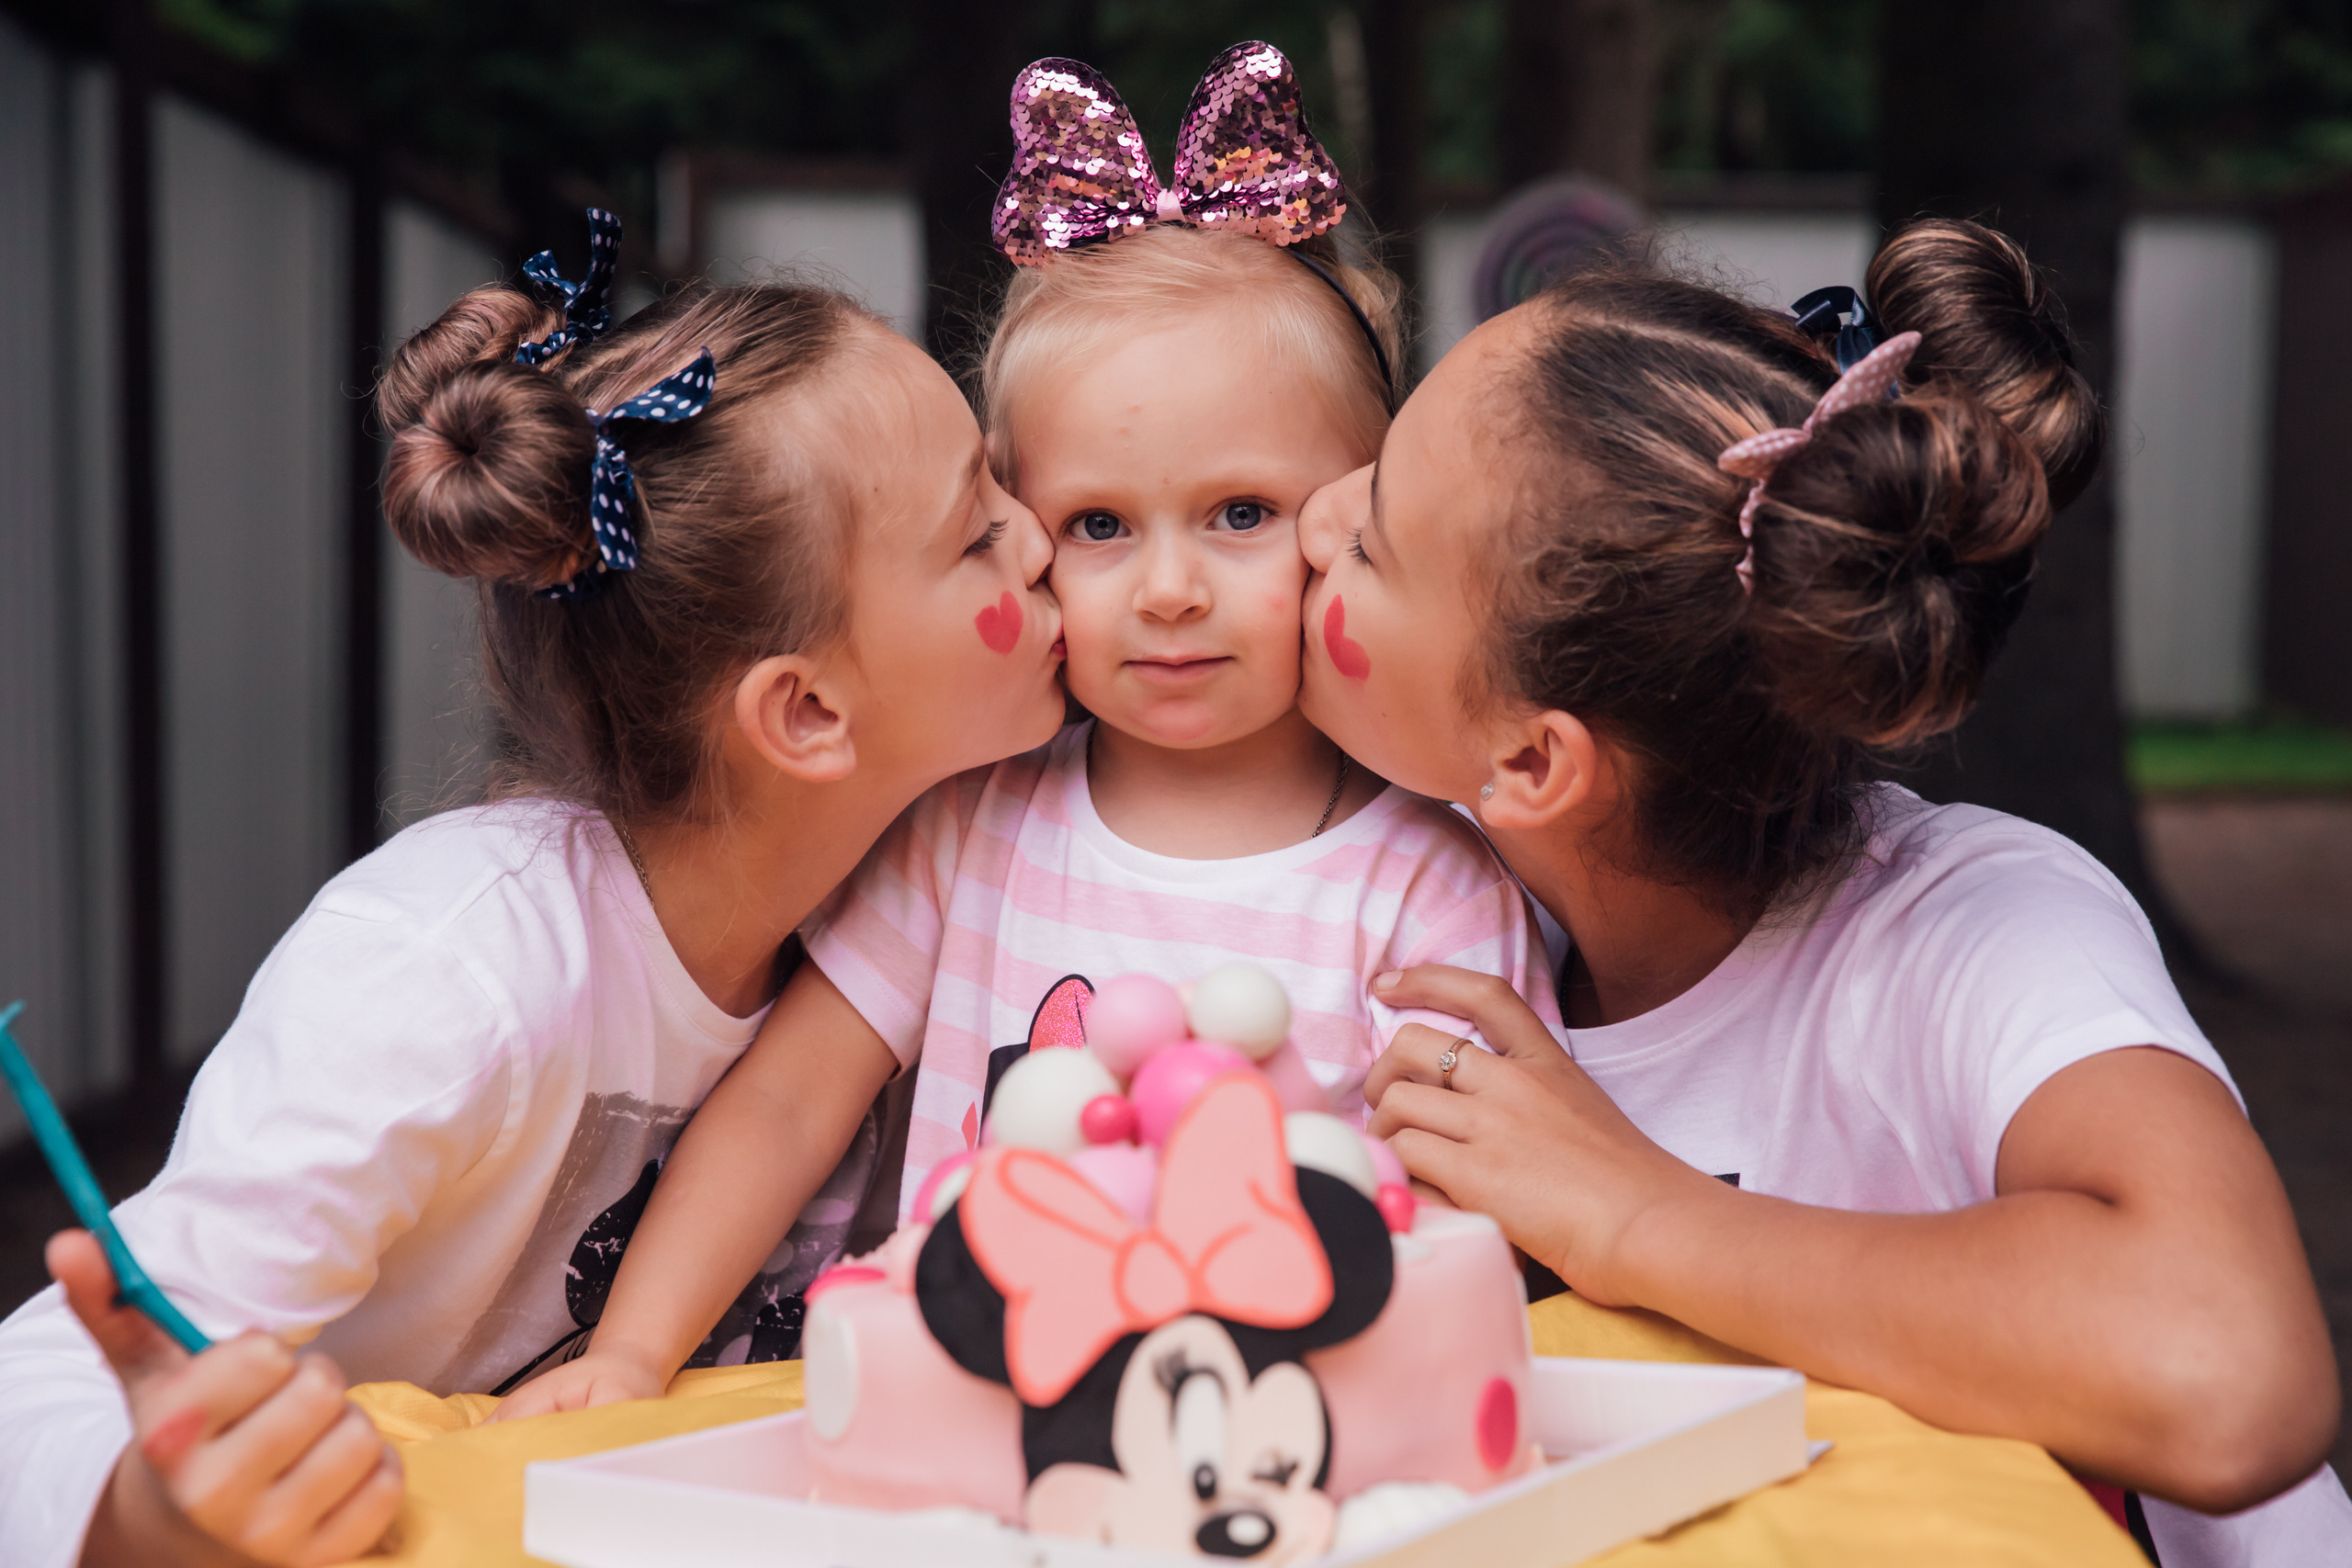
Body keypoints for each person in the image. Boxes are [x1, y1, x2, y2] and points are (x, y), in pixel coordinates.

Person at [489, 47, 1556, 1422]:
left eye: (1242, 513)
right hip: (953, 1433)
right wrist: (632, 1354)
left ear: (1356, 510)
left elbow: (1478, 1240)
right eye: (1099, 525)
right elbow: (786, 1108)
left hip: (1266, 1455)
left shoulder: (1433, 889)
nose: (1169, 589)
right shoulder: (971, 823)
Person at [0, 226, 1068, 1568]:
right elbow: (47, 1389)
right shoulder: (446, 972)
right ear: (804, 712)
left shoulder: (966, 872)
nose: (1042, 539)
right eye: (978, 532)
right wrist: (148, 1515)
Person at [1295, 219, 2347, 1565]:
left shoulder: (1983, 925)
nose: (1317, 515)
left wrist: (1644, 1217)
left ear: (1532, 761)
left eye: (1374, 538)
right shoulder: (1415, 889)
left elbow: (2228, 1371)